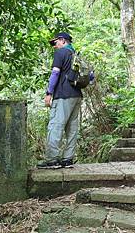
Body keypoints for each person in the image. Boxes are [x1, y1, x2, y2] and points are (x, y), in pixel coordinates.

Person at [37, 32, 82, 169]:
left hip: (63, 95)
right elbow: (90, 77)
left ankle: (52, 159)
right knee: (72, 128)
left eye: (55, 43)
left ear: (62, 41)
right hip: (77, 95)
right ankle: (68, 158)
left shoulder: (61, 53)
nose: (54, 46)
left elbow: (55, 73)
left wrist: (49, 93)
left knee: (55, 125)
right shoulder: (76, 55)